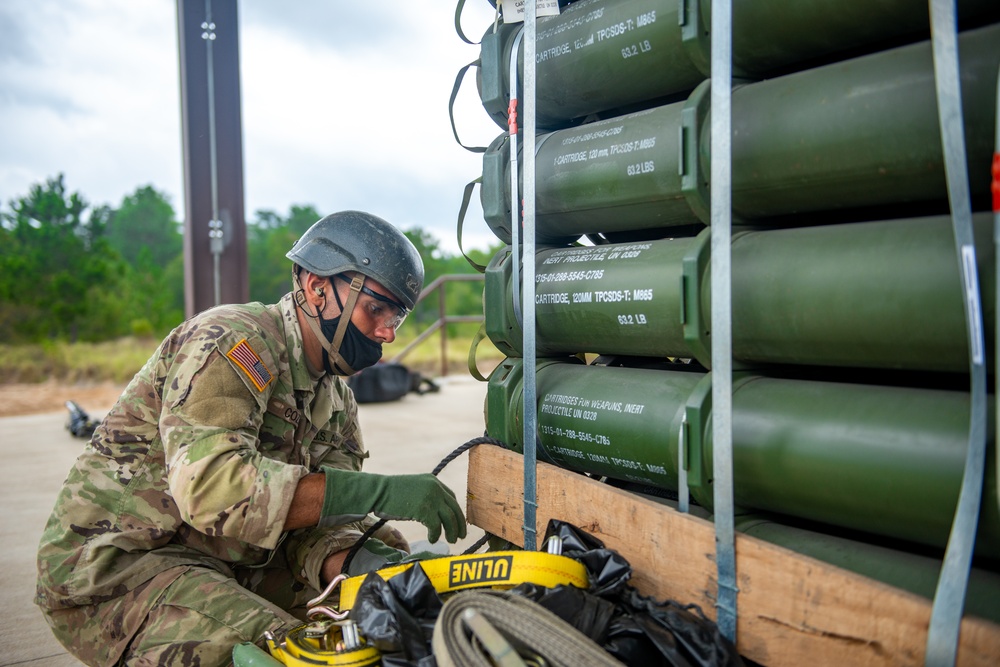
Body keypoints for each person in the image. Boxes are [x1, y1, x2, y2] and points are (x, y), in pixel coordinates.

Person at [35, 211, 466, 666]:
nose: (388, 332)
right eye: (376, 307)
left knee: (384, 591)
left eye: (396, 315)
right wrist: (382, 490)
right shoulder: (231, 342)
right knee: (294, 652)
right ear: (317, 289)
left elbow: (318, 526)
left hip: (225, 557)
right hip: (123, 570)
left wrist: (363, 567)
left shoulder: (336, 398)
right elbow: (211, 488)